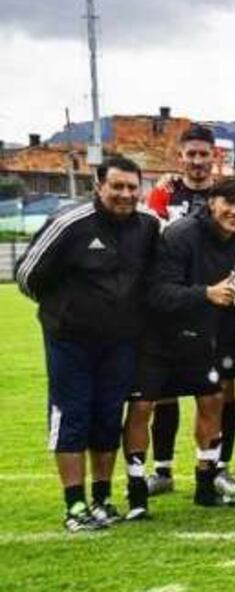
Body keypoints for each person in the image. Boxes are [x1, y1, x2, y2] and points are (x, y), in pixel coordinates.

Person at [17, 156, 159, 531]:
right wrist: (65, 311)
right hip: (70, 342)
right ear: (99, 186)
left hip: (120, 342)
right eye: (117, 186)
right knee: (72, 417)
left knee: (108, 417)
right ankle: (75, 505)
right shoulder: (70, 223)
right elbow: (27, 274)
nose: (125, 194)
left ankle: (102, 499)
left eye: (132, 187)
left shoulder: (147, 226)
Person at [123, 179, 235, 518]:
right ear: (212, 203)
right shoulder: (181, 235)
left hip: (203, 339)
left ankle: (205, 486)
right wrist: (206, 293)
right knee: (142, 407)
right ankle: (137, 493)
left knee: (212, 402)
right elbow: (156, 293)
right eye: (229, 203)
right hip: (158, 338)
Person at [143, 124, 235, 497]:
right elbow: (157, 285)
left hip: (219, 328)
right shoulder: (170, 210)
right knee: (165, 396)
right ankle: (162, 469)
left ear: (215, 157)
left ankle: (217, 469)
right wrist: (205, 294)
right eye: (190, 154)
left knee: (220, 394)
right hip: (173, 327)